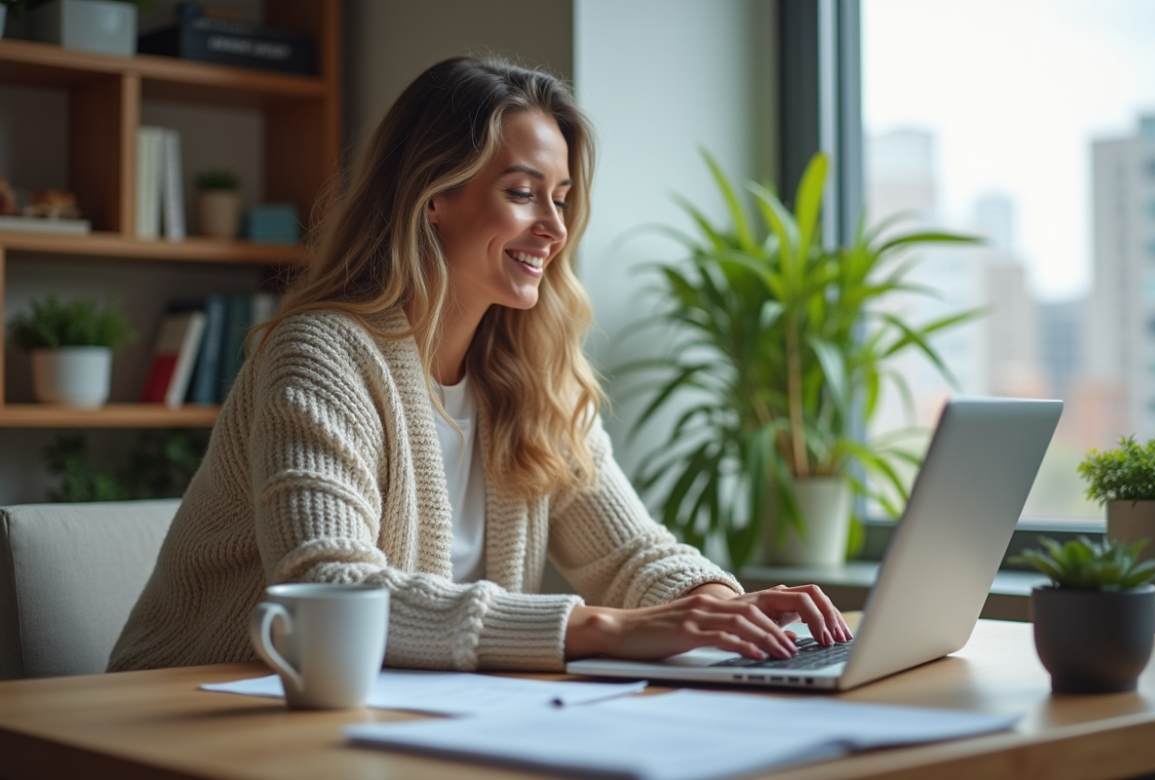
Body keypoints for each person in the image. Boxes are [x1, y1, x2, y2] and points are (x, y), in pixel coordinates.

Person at [108, 56, 851, 674]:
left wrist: (724, 607)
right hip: (195, 712)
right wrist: (601, 629)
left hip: (402, 718)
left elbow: (630, 554)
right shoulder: (323, 353)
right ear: (433, 197)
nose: (555, 229)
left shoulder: (530, 373)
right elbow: (327, 586)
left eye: (561, 199)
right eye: (523, 194)